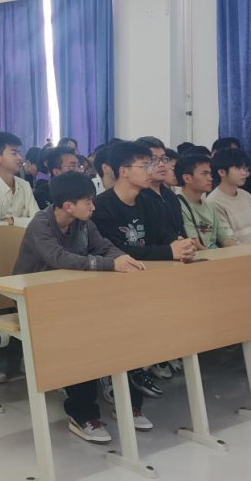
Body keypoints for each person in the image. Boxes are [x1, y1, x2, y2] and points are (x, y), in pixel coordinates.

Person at [14, 171, 147, 442]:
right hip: (33, 299)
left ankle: (125, 399)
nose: (93, 207)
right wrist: (111, 265)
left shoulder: (84, 223)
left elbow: (105, 247)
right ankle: (82, 414)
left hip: (70, 295)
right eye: (88, 202)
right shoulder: (41, 224)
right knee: (80, 335)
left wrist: (125, 260)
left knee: (121, 326)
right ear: (68, 206)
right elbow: (60, 258)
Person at [93, 142, 196, 398]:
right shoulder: (102, 206)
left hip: (145, 277)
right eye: (145, 165)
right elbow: (116, 250)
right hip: (111, 283)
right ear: (124, 171)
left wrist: (180, 245)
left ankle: (140, 365)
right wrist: (168, 251)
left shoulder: (147, 202)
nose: (152, 169)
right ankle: (113, 372)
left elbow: (161, 237)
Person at [207, 148, 251, 245]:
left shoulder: (246, 196)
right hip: (239, 253)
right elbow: (229, 240)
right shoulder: (213, 201)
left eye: (245, 169)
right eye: (238, 168)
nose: (244, 173)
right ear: (222, 172)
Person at [175, 154, 237, 250]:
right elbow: (196, 245)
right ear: (187, 178)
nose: (210, 178)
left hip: (214, 254)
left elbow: (225, 240)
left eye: (210, 174)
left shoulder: (209, 206)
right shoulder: (178, 205)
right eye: (204, 174)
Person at [0, 132, 39, 226]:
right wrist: (25, 221)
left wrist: (12, 221)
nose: (20, 158)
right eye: (14, 153)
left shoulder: (24, 185)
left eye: (19, 153)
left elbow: (39, 221)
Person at [136, 137, 186, 240]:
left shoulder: (171, 196)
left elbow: (180, 229)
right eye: (154, 160)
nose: (162, 164)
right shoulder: (137, 197)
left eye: (164, 159)